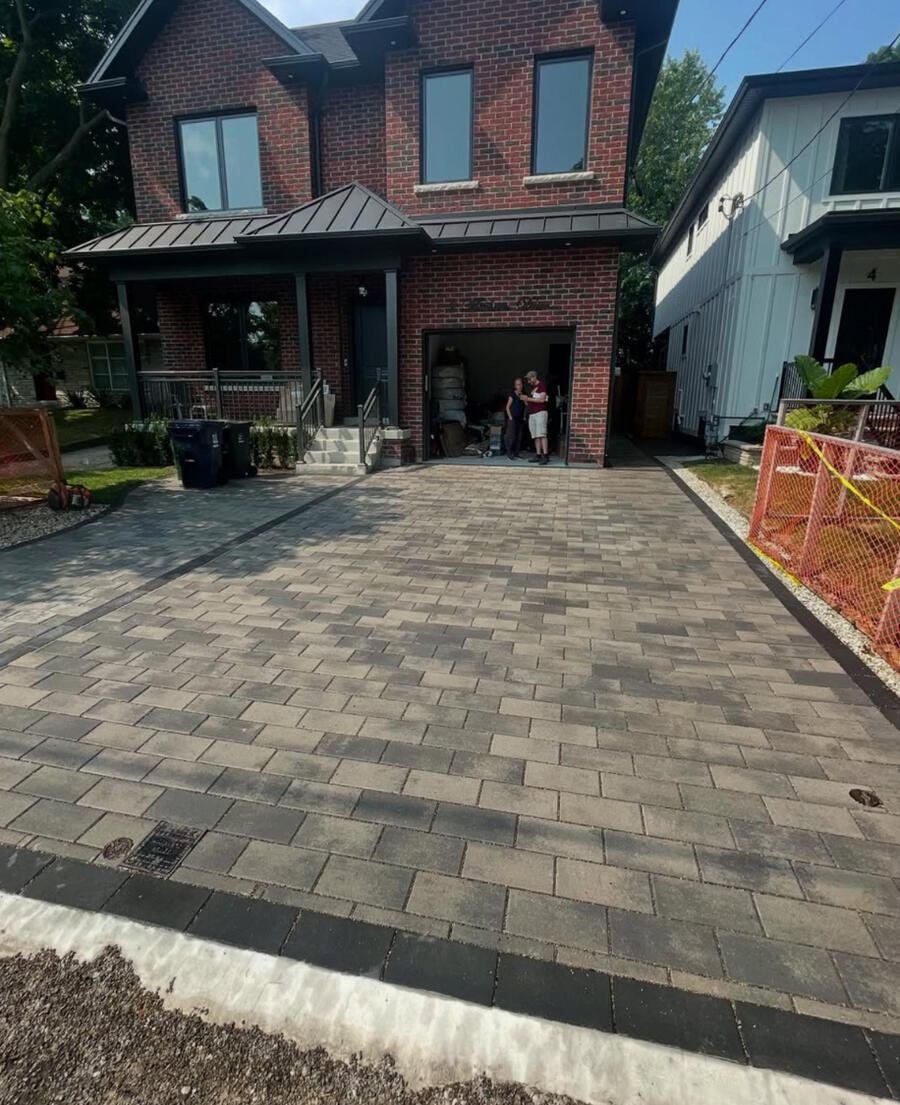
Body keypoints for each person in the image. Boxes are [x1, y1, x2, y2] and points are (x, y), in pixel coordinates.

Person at [524, 370, 549, 465]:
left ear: (534, 377)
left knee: (542, 434)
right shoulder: (534, 388)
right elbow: (533, 400)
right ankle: (538, 455)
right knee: (535, 435)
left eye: (529, 379)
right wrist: (526, 400)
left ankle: (545, 455)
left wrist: (528, 398)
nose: (528, 381)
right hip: (533, 413)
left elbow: (542, 400)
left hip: (540, 413)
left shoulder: (541, 385)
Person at [504, 377, 526, 459]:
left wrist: (524, 416)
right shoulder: (512, 394)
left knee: (519, 436)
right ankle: (509, 453)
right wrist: (510, 417)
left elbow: (526, 406)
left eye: (520, 384)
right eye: (517, 384)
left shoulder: (522, 395)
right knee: (511, 436)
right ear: (515, 386)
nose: (519, 386)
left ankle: (516, 453)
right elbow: (507, 407)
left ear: (522, 385)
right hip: (512, 418)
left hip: (520, 419)